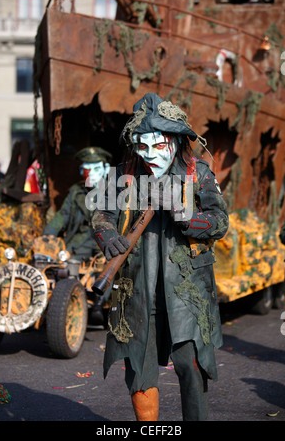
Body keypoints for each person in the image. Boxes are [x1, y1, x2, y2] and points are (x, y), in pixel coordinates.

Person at [92, 93, 229, 421]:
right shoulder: (121, 176)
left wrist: (187, 217)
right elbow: (100, 214)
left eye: (160, 145)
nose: (151, 154)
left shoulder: (200, 174)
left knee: (191, 366)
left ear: (176, 140)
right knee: (139, 371)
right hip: (137, 291)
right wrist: (108, 236)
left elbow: (220, 220)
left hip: (187, 292)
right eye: (143, 145)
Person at [43, 146, 112, 325]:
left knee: (111, 268)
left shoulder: (117, 190)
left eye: (96, 169)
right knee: (62, 268)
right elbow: (62, 216)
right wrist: (47, 236)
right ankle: (60, 304)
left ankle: (100, 303)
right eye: (87, 169)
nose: (91, 174)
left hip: (105, 243)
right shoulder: (76, 191)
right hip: (79, 243)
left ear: (105, 169)